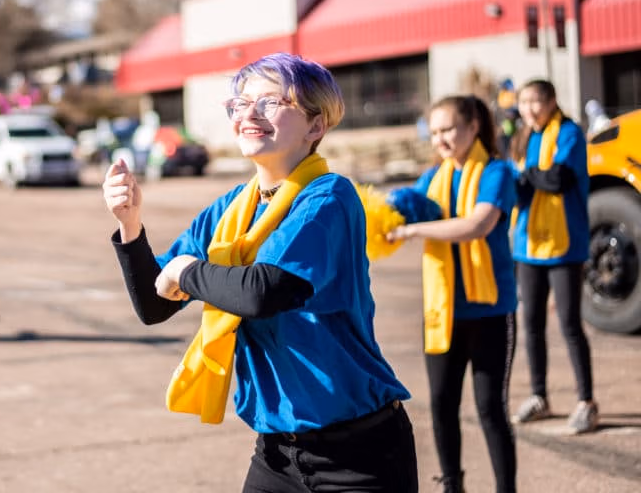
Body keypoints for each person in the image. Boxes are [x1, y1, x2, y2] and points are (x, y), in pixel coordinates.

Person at [103, 53, 417, 492]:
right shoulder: (232, 208)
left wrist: (184, 269)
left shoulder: (328, 197)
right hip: (276, 455)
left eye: (270, 102)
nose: (249, 114)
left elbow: (265, 292)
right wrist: (130, 225)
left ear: (315, 126)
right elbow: (155, 304)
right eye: (239, 103)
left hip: (359, 453)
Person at [386, 95, 518, 493]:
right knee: (443, 406)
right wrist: (384, 210)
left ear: (473, 126)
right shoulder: (434, 178)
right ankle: (451, 485)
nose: (440, 139)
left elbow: (476, 225)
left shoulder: (498, 172)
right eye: (435, 131)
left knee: (490, 408)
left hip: (491, 310)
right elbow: (410, 205)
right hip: (442, 311)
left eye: (448, 129)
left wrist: (412, 231)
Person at [509, 79, 598, 434]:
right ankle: (539, 395)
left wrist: (529, 176)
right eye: (524, 103)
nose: (530, 109)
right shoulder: (523, 137)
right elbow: (518, 186)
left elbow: (558, 179)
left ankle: (587, 401)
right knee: (530, 324)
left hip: (565, 243)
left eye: (536, 102)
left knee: (570, 324)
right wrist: (532, 177)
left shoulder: (570, 133)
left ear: (551, 101)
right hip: (528, 245)